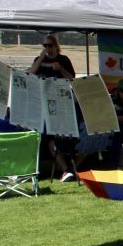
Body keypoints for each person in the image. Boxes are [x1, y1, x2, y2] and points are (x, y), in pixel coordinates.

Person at [30, 34, 78, 180]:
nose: (47, 48)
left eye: (50, 45)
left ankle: (67, 169)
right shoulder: (39, 59)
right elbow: (31, 74)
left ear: (56, 46)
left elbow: (72, 78)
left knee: (58, 137)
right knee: (45, 137)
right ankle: (61, 169)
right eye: (45, 45)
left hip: (60, 103)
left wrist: (60, 69)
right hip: (43, 104)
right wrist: (40, 58)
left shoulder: (63, 60)